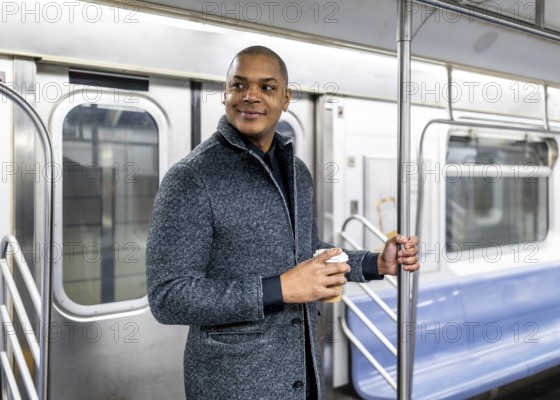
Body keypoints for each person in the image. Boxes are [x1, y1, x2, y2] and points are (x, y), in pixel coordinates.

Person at [146, 45, 420, 400]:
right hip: (234, 384)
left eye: (267, 87)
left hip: (301, 374)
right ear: (225, 93)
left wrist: (374, 263)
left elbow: (309, 255)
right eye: (239, 85)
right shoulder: (191, 177)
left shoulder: (296, 171)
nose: (251, 97)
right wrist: (280, 289)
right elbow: (168, 296)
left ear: (286, 98)